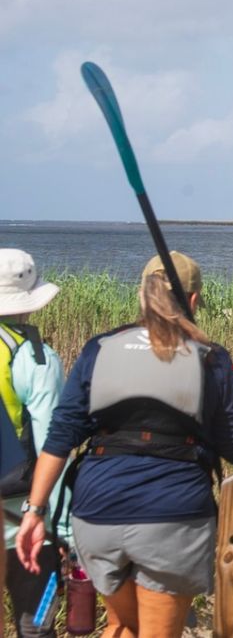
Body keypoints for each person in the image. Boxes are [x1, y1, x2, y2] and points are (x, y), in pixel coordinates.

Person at [15, 252, 233, 638]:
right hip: (172, 514)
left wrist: (34, 511)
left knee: (122, 626)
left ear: (141, 295)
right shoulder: (210, 358)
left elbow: (61, 436)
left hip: (97, 513)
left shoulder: (99, 349)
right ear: (194, 300)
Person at [0, 249, 67, 638]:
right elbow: (51, 443)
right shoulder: (35, 357)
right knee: (35, 625)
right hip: (22, 520)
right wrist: (59, 527)